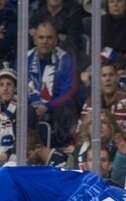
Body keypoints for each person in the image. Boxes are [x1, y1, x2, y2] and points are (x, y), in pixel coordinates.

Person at [26, 20, 79, 148]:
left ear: (55, 41)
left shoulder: (66, 59)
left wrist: (47, 106)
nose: (45, 41)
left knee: (65, 110)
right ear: (35, 40)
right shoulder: (24, 60)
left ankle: (61, 149)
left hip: (56, 110)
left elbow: (68, 92)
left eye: (49, 38)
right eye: (41, 37)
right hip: (29, 109)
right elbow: (18, 88)